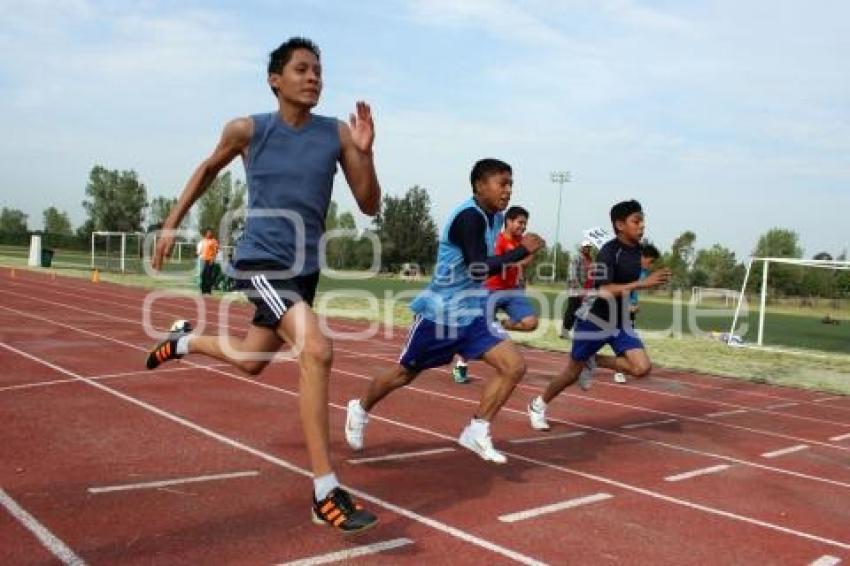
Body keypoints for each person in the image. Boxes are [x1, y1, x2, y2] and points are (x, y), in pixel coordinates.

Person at [144, 37, 381, 534]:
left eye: (319, 70)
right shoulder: (249, 129)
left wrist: (365, 154)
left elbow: (369, 205)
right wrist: (171, 222)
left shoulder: (337, 134)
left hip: (304, 270)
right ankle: (324, 492)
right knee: (316, 350)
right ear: (276, 79)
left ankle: (182, 341)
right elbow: (208, 168)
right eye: (302, 69)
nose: (314, 77)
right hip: (261, 261)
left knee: (253, 361)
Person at [344, 159, 544, 464]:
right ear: (479, 186)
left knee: (513, 366)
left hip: (474, 312)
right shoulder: (469, 217)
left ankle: (477, 430)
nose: (508, 191)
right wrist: (522, 250)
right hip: (441, 314)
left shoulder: (495, 216)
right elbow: (478, 267)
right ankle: (360, 408)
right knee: (403, 374)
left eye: (511, 184)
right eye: (501, 184)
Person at [527, 200, 670, 430]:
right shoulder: (608, 252)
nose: (642, 225)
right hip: (594, 319)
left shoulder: (639, 250)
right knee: (571, 373)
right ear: (620, 225)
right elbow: (603, 291)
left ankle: (593, 361)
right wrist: (642, 284)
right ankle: (538, 405)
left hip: (619, 321)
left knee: (641, 367)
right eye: (637, 221)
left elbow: (630, 283)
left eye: (643, 220)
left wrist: (649, 283)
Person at [452, 205, 538, 384]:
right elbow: (495, 263)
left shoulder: (520, 241)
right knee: (475, 330)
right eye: (520, 223)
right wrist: (515, 261)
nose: (523, 227)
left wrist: (521, 262)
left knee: (531, 323)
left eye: (525, 224)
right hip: (490, 290)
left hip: (512, 291)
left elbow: (528, 256)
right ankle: (461, 364)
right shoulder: (497, 241)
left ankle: (498, 325)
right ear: (508, 221)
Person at [614, 243, 660, 383]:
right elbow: (621, 290)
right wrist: (627, 306)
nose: (651, 265)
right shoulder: (628, 269)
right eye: (650, 261)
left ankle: (618, 370)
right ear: (643, 257)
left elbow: (633, 291)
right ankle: (587, 361)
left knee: (625, 341)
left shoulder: (644, 273)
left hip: (628, 310)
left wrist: (634, 304)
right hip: (617, 309)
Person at [561, 239, 594, 339]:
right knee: (572, 309)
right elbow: (572, 275)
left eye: (589, 247)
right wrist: (579, 289)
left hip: (587, 289)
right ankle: (565, 331)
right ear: (581, 248)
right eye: (585, 247)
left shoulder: (590, 260)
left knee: (583, 311)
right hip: (576, 289)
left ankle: (579, 331)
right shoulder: (576, 258)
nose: (587, 249)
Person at [198, 229, 219, 294]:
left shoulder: (214, 241)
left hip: (210, 259)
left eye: (210, 233)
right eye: (208, 233)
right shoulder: (203, 241)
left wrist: (213, 259)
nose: (209, 234)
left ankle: (208, 290)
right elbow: (200, 250)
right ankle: (203, 290)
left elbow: (215, 251)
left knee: (209, 275)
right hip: (203, 259)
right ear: (206, 234)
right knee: (203, 275)